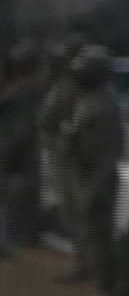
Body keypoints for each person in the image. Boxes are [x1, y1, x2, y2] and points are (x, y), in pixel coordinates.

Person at [62, 45, 126, 296]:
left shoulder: (101, 103)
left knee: (99, 234)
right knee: (90, 232)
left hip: (98, 175)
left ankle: (106, 288)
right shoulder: (89, 99)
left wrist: (72, 139)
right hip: (88, 173)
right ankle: (98, 280)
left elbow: (94, 145)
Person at [38, 37, 86, 280]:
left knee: (76, 213)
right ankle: (82, 263)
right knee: (72, 213)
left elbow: (59, 125)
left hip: (69, 159)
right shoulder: (63, 86)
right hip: (63, 155)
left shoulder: (69, 89)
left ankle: (83, 265)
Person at [1, 41, 49, 256]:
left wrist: (10, 153)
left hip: (18, 149)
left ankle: (20, 237)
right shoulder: (30, 87)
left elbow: (20, 128)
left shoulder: (20, 90)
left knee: (17, 194)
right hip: (23, 149)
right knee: (22, 193)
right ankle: (23, 235)